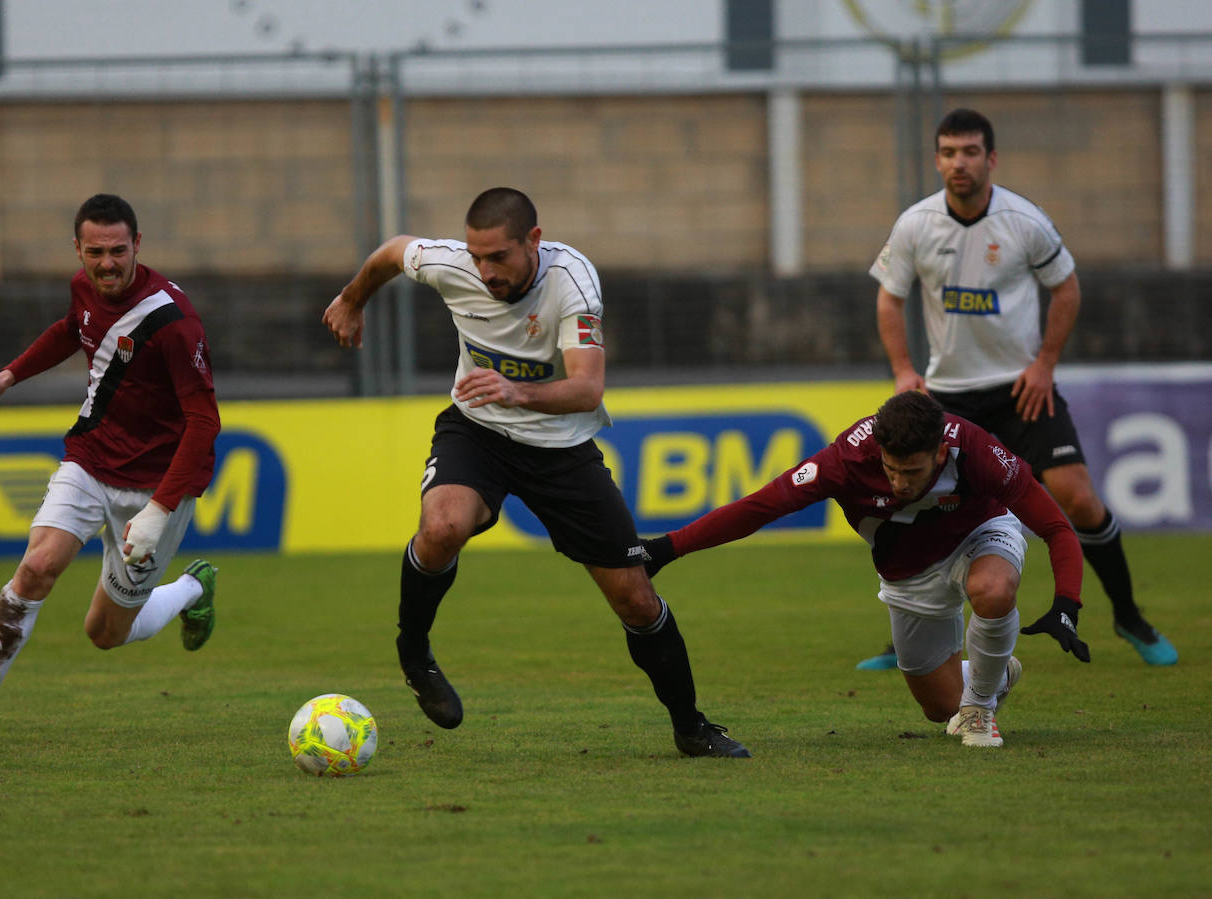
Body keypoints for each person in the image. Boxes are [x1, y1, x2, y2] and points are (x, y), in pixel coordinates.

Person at [321, 187, 748, 758]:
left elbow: (587, 388)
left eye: (497, 257)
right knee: (441, 528)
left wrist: (514, 391)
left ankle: (692, 728)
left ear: (534, 242)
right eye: (476, 256)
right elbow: (393, 252)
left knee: (637, 601)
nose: (483, 270)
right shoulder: (453, 265)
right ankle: (414, 651)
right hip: (476, 433)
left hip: (560, 451)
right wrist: (352, 300)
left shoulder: (571, 283)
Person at [863, 107, 1176, 669]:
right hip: (949, 397)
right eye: (949, 152)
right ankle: (906, 639)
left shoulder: (1023, 221)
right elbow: (890, 296)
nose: (959, 163)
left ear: (991, 158)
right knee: (919, 510)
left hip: (1021, 391)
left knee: (1077, 497)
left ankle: (1130, 617)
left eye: (970, 152)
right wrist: (903, 371)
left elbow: (1067, 289)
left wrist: (1045, 364)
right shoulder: (915, 224)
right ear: (937, 159)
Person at [0, 194, 222, 746]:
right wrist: (7, 377)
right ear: (78, 250)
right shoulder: (83, 287)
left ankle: (190, 590)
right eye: (94, 252)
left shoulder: (175, 323)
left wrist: (158, 511)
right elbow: (71, 330)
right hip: (89, 458)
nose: (106, 263)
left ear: (138, 245)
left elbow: (203, 423)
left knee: (105, 633)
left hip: (156, 489)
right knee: (37, 566)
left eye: (117, 251)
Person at [642, 390, 1090, 747]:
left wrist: (1067, 601)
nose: (899, 482)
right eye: (891, 470)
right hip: (908, 573)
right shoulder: (844, 461)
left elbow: (1054, 525)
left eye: (912, 471)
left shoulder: (975, 448)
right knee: (938, 709)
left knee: (992, 590)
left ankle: (979, 713)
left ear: (939, 453)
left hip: (980, 535)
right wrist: (668, 548)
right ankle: (994, 675)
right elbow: (760, 507)